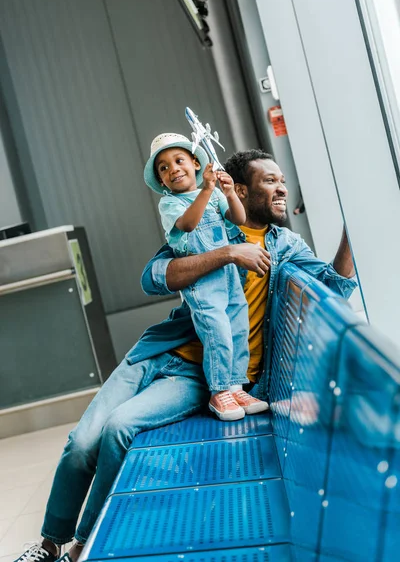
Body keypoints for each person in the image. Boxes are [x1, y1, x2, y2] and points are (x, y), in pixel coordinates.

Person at [15, 149, 356, 562]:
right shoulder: (205, 225)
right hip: (158, 351)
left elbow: (335, 287)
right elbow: (155, 277)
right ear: (241, 190)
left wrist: (351, 230)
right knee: (81, 441)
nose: (282, 187)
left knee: (119, 428)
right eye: (270, 180)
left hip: (200, 375)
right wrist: (229, 253)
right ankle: (49, 543)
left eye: (281, 179)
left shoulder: (284, 244)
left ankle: (81, 546)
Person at [144, 133, 268, 420]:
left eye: (179, 160)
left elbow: (237, 219)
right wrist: (207, 189)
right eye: (163, 168)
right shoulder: (170, 205)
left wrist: (228, 193)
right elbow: (188, 225)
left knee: (237, 326)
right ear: (161, 181)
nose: (173, 169)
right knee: (217, 331)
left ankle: (236, 386)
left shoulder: (214, 194)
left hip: (228, 276)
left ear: (196, 163)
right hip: (202, 283)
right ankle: (219, 391)